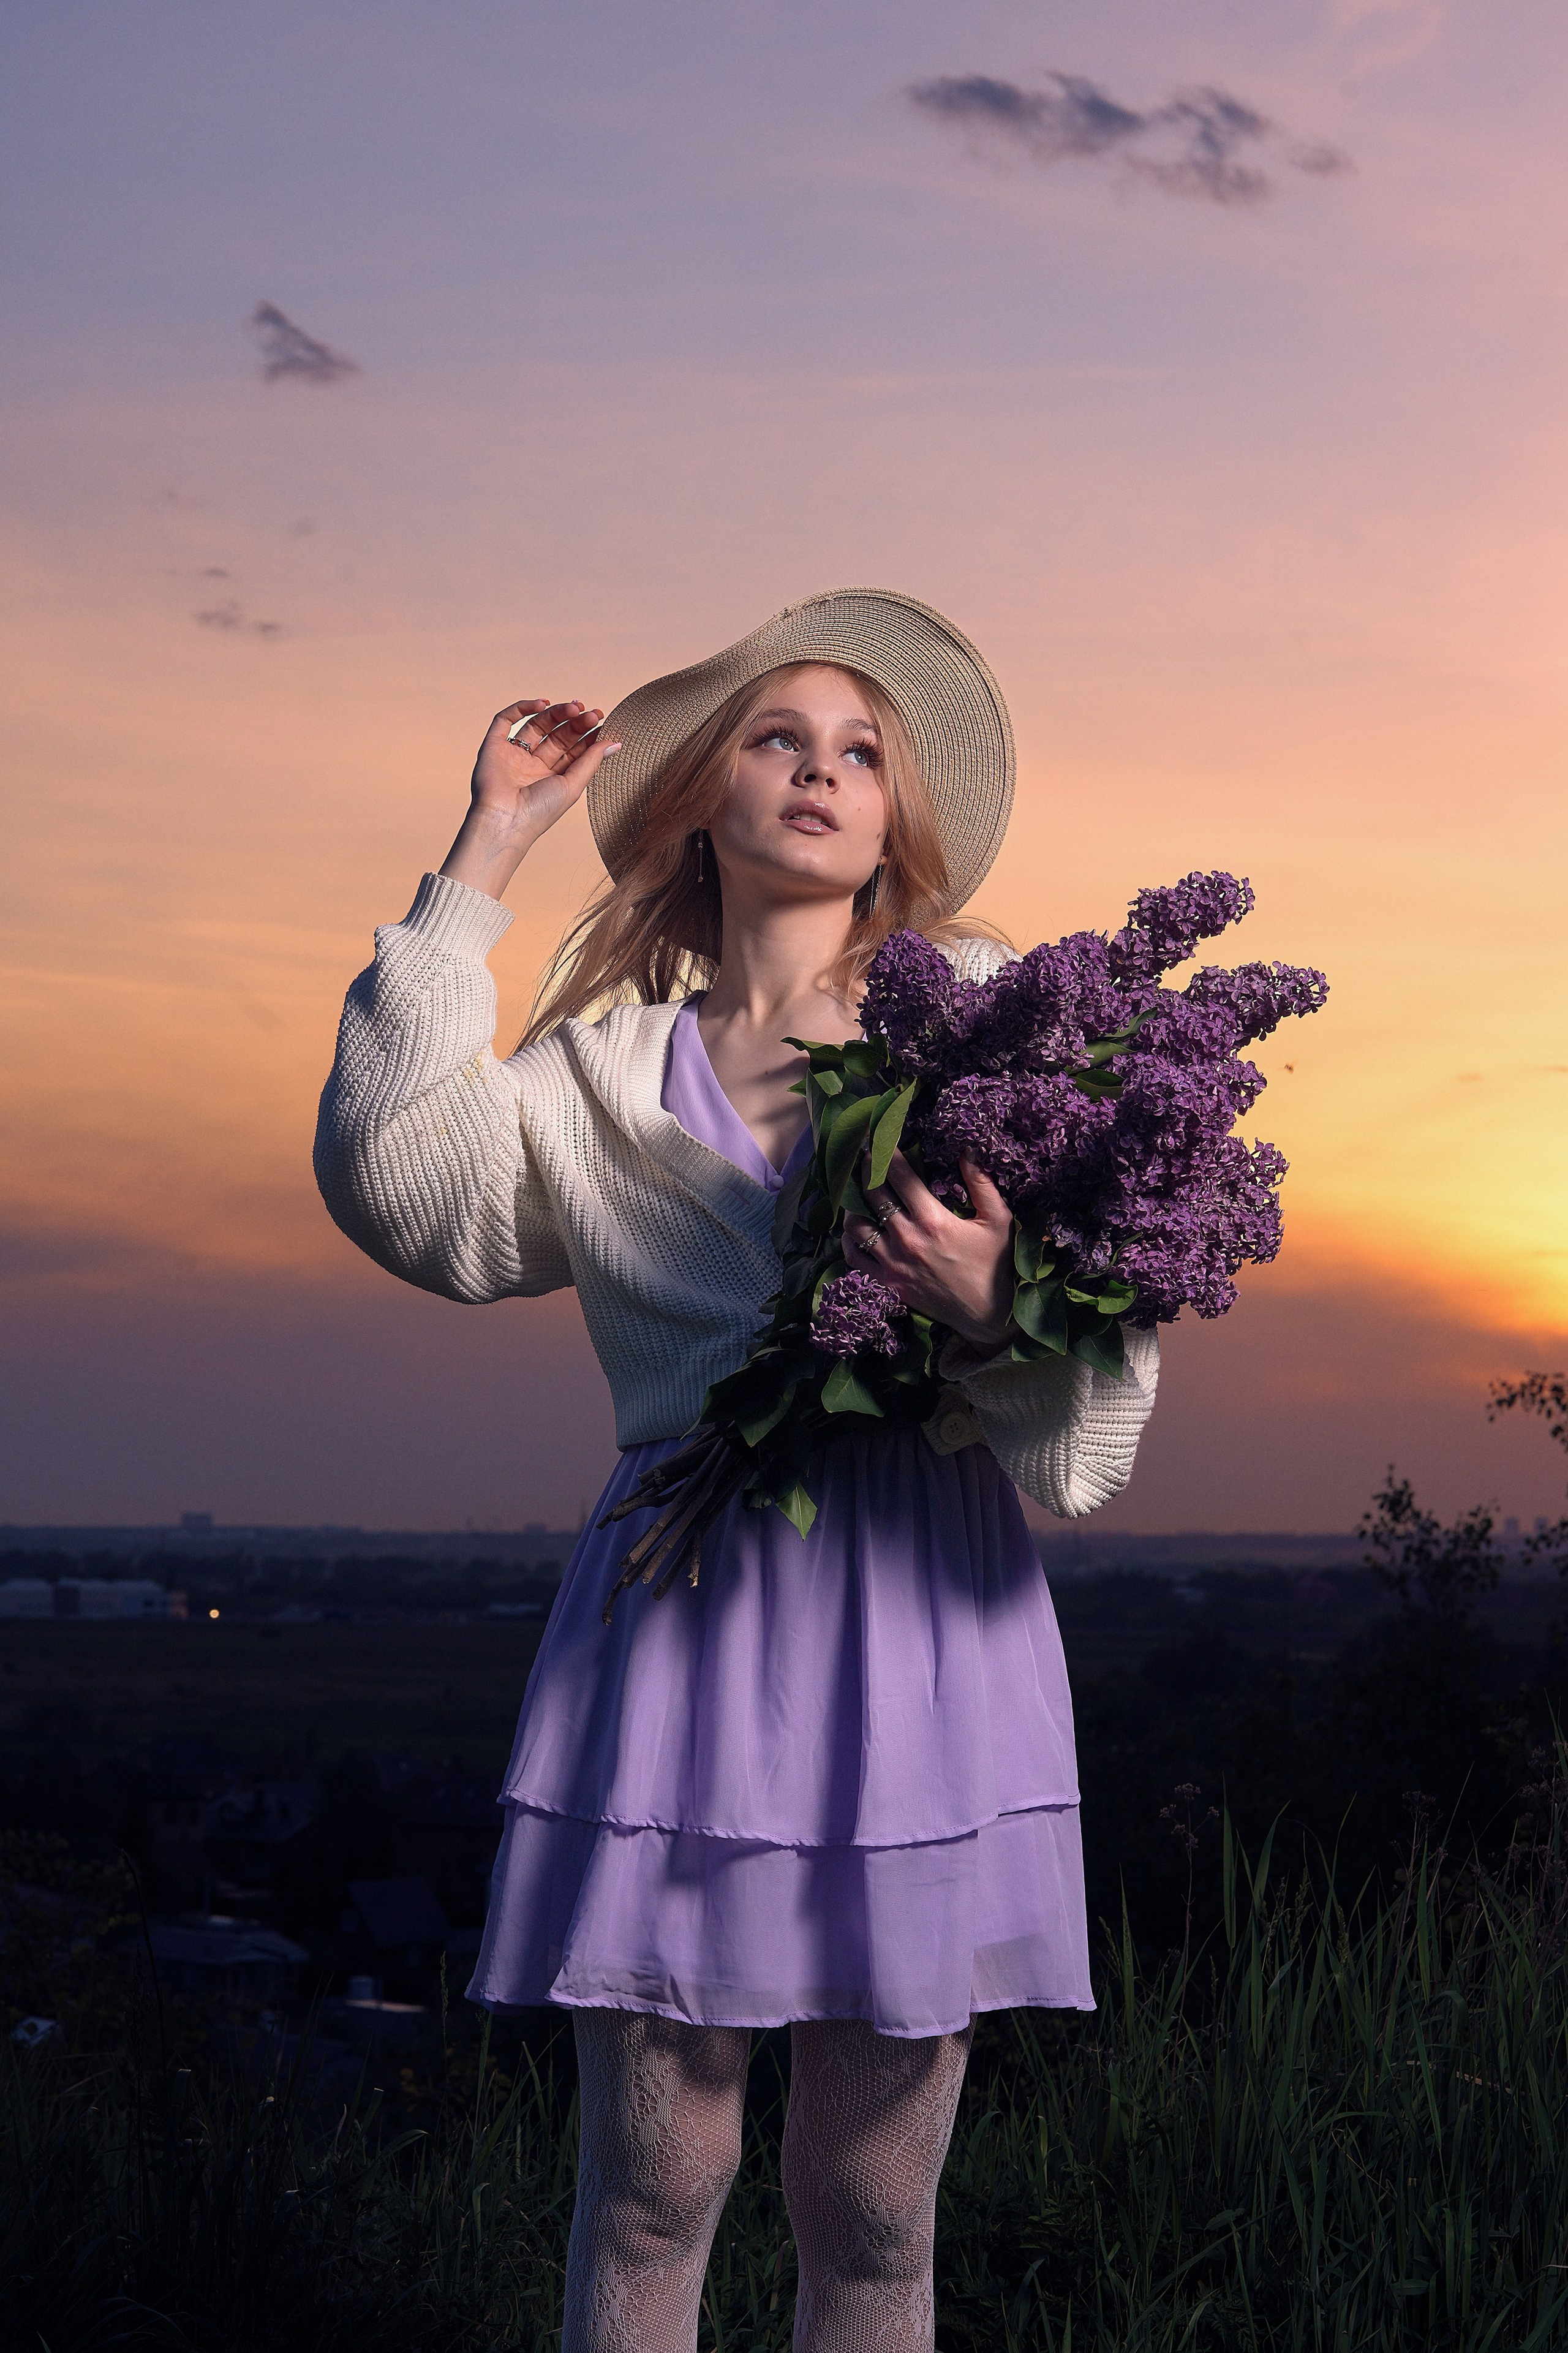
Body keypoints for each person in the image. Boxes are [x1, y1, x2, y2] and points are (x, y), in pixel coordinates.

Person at [315, 589, 1159, 2352]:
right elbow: (402, 1186)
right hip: (684, 1623)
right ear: (707, 793)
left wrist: (997, 1307)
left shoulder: (986, 1033)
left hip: (924, 1622)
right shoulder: (600, 1078)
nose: (822, 771)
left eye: (862, 751)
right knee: (651, 2186)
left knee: (875, 2203)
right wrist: (484, 853)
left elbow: (1095, 1430)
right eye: (780, 738)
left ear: (894, 817)